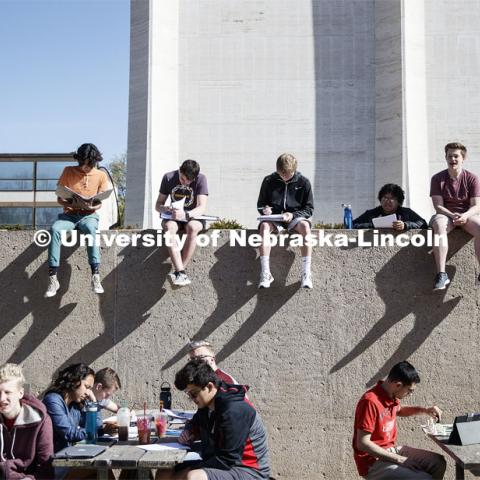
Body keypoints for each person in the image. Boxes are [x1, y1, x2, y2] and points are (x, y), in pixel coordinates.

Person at [157, 358, 271, 480]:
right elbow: (195, 422)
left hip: (248, 470)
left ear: (210, 387)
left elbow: (228, 460)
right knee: (164, 473)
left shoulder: (233, 410)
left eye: (194, 394)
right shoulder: (207, 404)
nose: (192, 398)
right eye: (188, 394)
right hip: (219, 461)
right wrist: (190, 432)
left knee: (194, 477)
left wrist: (190, 470)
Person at [353, 361, 446, 479]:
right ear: (397, 385)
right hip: (372, 461)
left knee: (438, 462)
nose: (410, 394)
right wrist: (400, 459)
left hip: (391, 450)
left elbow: (399, 410)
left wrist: (425, 410)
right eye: (409, 391)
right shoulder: (370, 402)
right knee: (424, 478)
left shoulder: (391, 394)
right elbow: (362, 443)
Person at [45, 143, 109, 298]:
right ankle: (53, 278)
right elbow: (60, 199)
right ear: (78, 160)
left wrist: (90, 205)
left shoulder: (101, 175)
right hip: (69, 215)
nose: (85, 167)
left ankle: (95, 276)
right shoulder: (68, 171)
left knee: (91, 230)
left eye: (89, 164)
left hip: (89, 215)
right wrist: (70, 203)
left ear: (95, 161)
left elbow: (100, 203)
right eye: (82, 164)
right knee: (55, 229)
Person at [257, 153, 314, 289]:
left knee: (305, 226)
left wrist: (293, 215)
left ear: (294, 170)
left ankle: (306, 273)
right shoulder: (268, 180)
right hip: (274, 219)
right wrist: (265, 209)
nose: (284, 176)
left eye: (287, 174)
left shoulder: (303, 182)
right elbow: (260, 204)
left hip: (295, 218)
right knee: (264, 226)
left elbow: (309, 209)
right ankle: (265, 273)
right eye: (281, 173)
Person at [430, 142, 480, 290]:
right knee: (439, 226)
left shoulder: (472, 178)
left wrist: (464, 215)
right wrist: (453, 215)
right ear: (445, 158)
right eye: (449, 156)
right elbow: (438, 206)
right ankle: (441, 274)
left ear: (463, 158)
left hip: (466, 214)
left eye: (456, 156)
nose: (452, 159)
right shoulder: (437, 178)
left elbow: (476, 205)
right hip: (445, 214)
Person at [155, 160, 208, 287]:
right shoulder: (168, 177)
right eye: (183, 179)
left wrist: (186, 215)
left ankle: (179, 272)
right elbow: (158, 205)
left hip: (193, 216)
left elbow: (202, 207)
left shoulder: (201, 179)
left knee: (192, 227)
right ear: (180, 170)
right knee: (169, 227)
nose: (186, 183)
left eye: (190, 181)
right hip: (174, 217)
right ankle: (180, 272)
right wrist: (165, 209)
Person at [0, 363, 54, 479]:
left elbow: (46, 469)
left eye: (7, 392)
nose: (1, 398)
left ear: (20, 393)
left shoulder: (41, 420)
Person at [42, 363, 95, 453]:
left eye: (90, 389)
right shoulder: (53, 400)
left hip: (67, 455)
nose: (88, 393)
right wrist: (93, 432)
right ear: (75, 381)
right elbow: (69, 433)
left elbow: (92, 426)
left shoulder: (75, 405)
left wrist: (93, 403)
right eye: (86, 387)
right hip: (53, 460)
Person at [353, 184, 427, 230]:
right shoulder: (372, 213)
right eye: (385, 197)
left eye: (392, 198)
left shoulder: (406, 212)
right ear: (380, 199)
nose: (388, 201)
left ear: (398, 202)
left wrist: (405, 225)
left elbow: (422, 223)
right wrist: (373, 225)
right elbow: (352, 225)